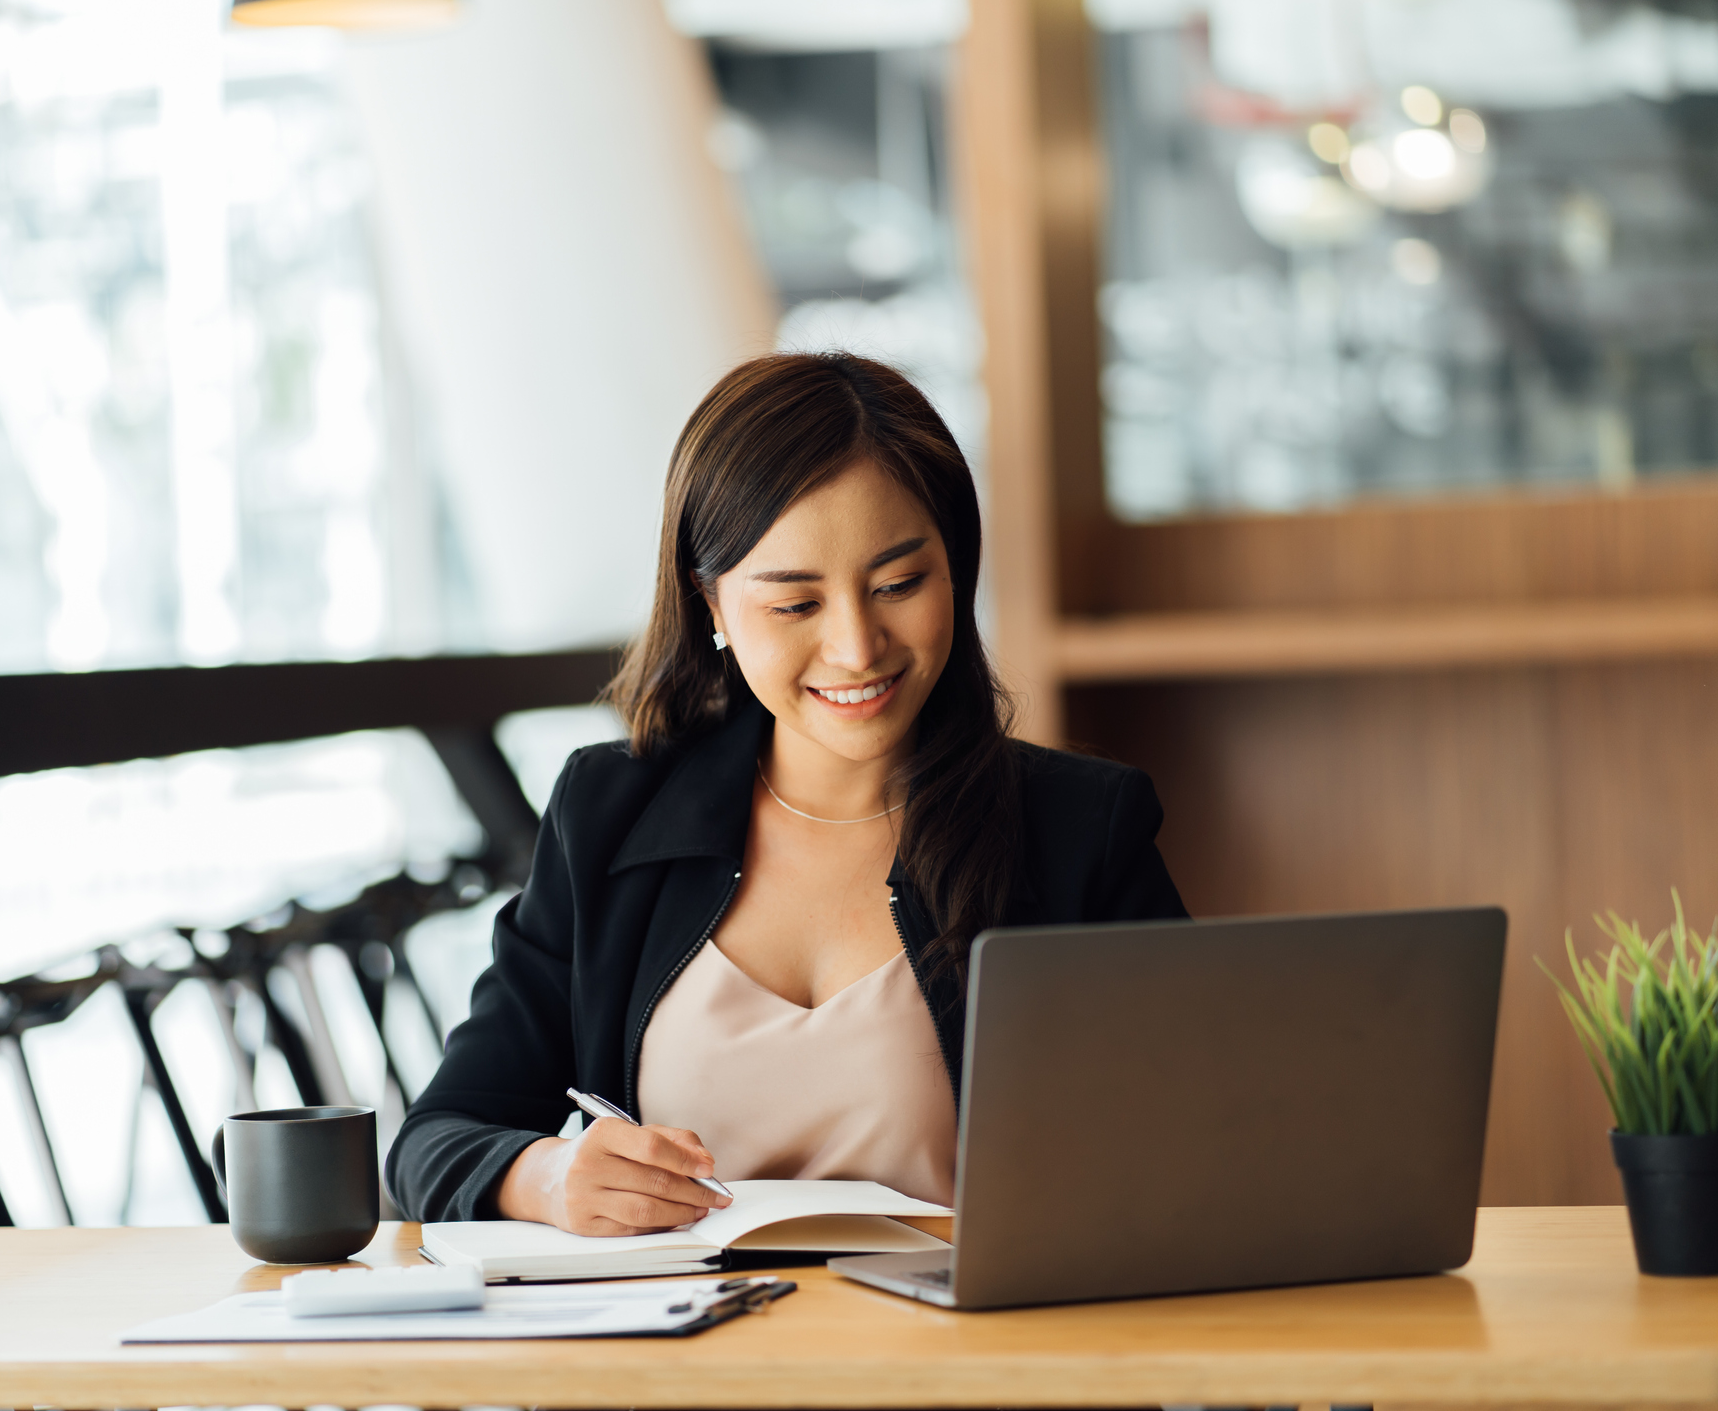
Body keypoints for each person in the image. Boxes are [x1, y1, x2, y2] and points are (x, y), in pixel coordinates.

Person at [387, 352, 1186, 1233]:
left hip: (972, 1358)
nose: (856, 646)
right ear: (713, 609)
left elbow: (1206, 1140)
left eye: (897, 584)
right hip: (685, 1359)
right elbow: (439, 1135)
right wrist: (541, 1176)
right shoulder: (609, 814)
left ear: (955, 570)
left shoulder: (1079, 830)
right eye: (794, 605)